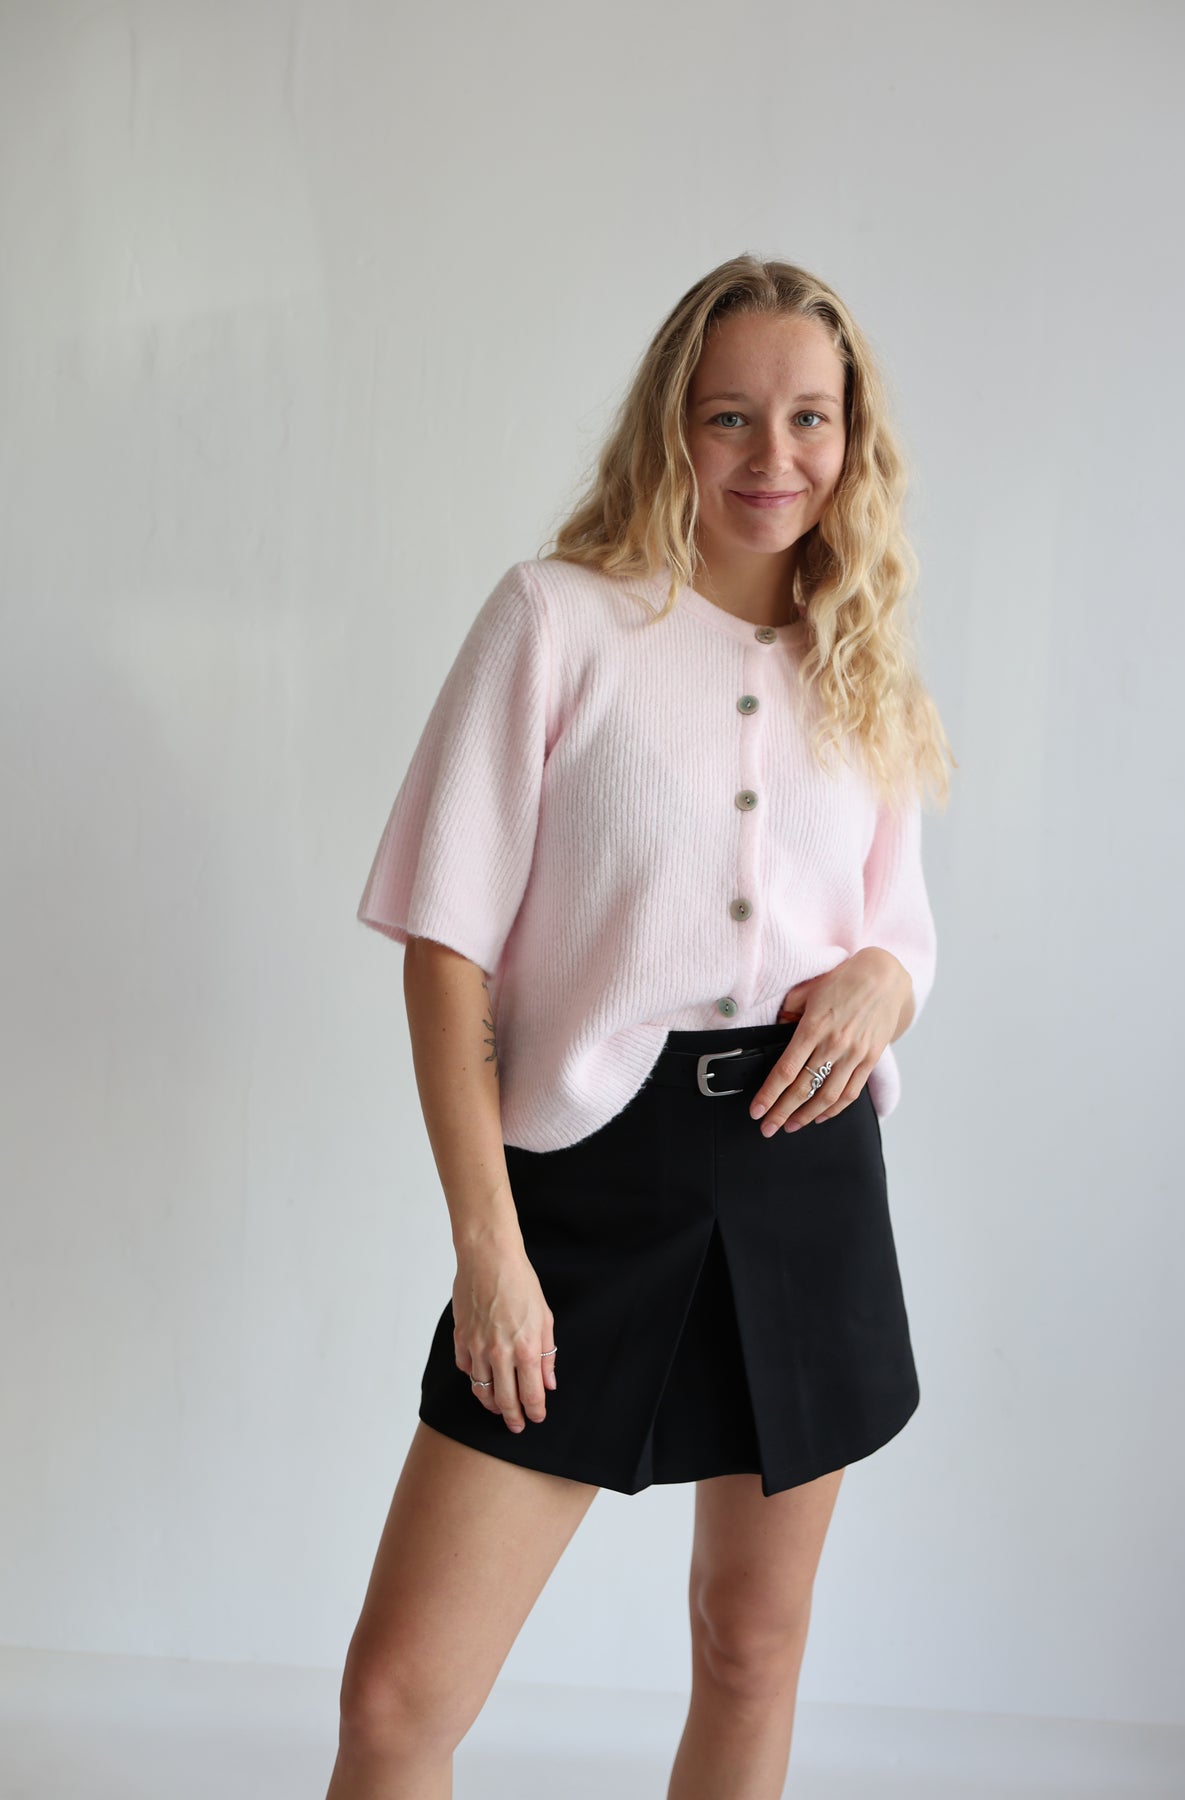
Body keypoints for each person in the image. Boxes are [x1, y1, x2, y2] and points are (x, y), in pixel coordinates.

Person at [326, 254, 955, 1800]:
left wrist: (887, 981)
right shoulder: (557, 619)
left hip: (805, 1175)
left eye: (809, 418)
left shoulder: (863, 651)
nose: (773, 455)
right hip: (591, 1183)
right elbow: (445, 953)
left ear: (853, 435)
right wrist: (490, 1246)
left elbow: (896, 926)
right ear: (673, 424)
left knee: (752, 1646)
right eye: (731, 415)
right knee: (399, 1700)